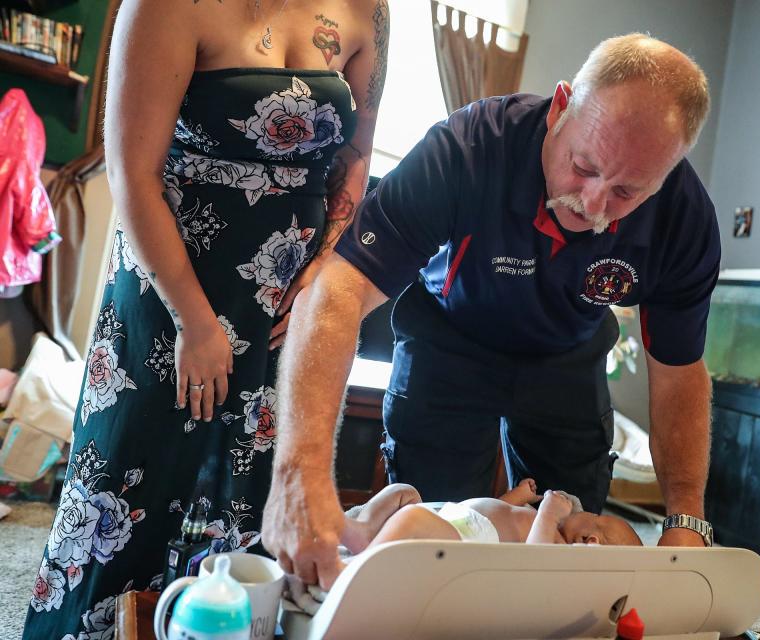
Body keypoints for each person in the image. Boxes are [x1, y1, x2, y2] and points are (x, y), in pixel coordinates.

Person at [263, 33, 720, 589]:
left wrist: (685, 522)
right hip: (450, 336)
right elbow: (339, 287)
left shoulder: (685, 221)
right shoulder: (470, 147)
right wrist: (299, 473)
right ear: (559, 108)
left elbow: (678, 372)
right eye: (583, 166)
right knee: (431, 543)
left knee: (573, 554)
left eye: (628, 192)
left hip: (567, 353)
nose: (594, 206)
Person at [23, 1, 388, 638]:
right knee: (128, 487)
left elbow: (356, 153)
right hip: (170, 286)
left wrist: (323, 263)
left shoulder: (369, 8)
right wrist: (194, 323)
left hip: (286, 296)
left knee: (246, 498)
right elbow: (134, 174)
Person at [342, 479, 642, 551]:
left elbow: (530, 561)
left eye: (597, 518)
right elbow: (497, 510)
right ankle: (365, 530)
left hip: (468, 536)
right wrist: (517, 498)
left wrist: (549, 514)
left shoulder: (554, 546)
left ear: (589, 540)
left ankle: (356, 568)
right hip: (456, 517)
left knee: (410, 520)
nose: (588, 511)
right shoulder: (533, 519)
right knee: (402, 491)